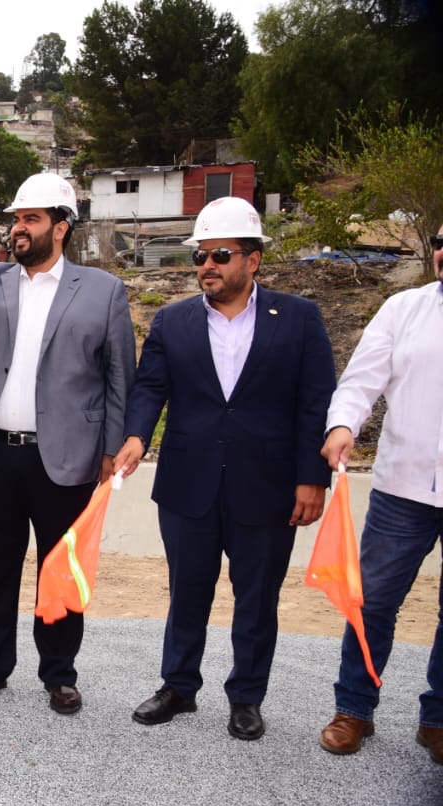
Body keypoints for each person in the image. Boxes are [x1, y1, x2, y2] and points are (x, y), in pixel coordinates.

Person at [115, 196, 336, 740]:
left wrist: (312, 478)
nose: (206, 266)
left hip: (268, 486)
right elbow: (150, 387)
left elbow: (317, 402)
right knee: (188, 589)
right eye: (199, 257)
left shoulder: (300, 319)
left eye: (219, 254)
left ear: (252, 260)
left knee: (257, 597)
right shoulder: (173, 321)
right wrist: (137, 435)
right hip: (188, 482)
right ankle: (179, 687)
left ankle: (246, 697)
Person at [0, 173, 135, 712]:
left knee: (60, 568)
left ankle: (59, 673)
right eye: (16, 219)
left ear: (60, 228)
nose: (18, 229)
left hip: (67, 457)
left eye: (31, 220)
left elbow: (119, 378)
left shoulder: (103, 291)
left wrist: (113, 449)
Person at [314, 225, 443, 764]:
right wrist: (343, 425)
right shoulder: (403, 309)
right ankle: (354, 710)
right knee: (372, 604)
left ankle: (437, 720)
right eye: (440, 242)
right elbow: (361, 381)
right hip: (402, 487)